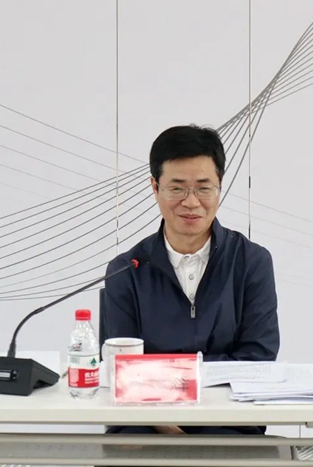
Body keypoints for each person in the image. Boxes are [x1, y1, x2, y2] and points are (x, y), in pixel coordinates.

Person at [100, 124, 279, 436]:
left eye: (203, 188)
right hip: (144, 421)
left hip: (229, 420)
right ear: (155, 187)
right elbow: (122, 368)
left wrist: (167, 373)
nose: (191, 202)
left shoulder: (251, 262)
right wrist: (171, 432)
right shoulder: (126, 269)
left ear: (220, 186)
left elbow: (257, 360)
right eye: (177, 188)